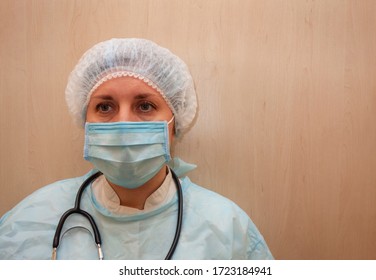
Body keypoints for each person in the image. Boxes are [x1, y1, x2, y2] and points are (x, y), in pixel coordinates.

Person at [0, 38, 273, 260]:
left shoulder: (227, 229)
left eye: (145, 106)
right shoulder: (27, 222)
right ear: (86, 123)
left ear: (174, 123)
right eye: (105, 107)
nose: (123, 123)